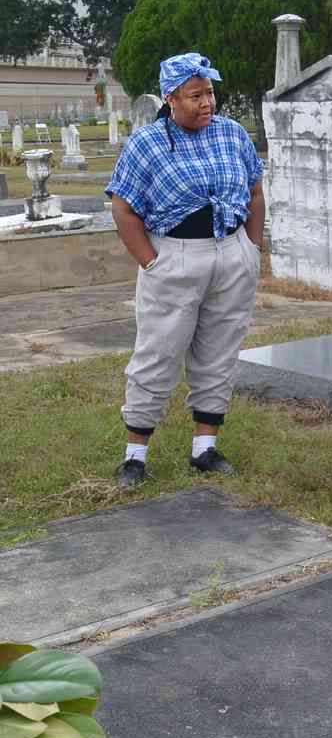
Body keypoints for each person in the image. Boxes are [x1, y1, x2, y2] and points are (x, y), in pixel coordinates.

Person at [106, 52, 265, 488]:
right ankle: (135, 455)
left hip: (231, 255)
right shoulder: (147, 143)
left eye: (209, 92)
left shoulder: (232, 134)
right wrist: (150, 262)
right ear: (170, 99)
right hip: (175, 258)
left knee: (219, 350)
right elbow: (123, 208)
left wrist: (252, 247)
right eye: (195, 96)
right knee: (158, 353)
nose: (206, 102)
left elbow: (254, 191)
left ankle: (205, 448)